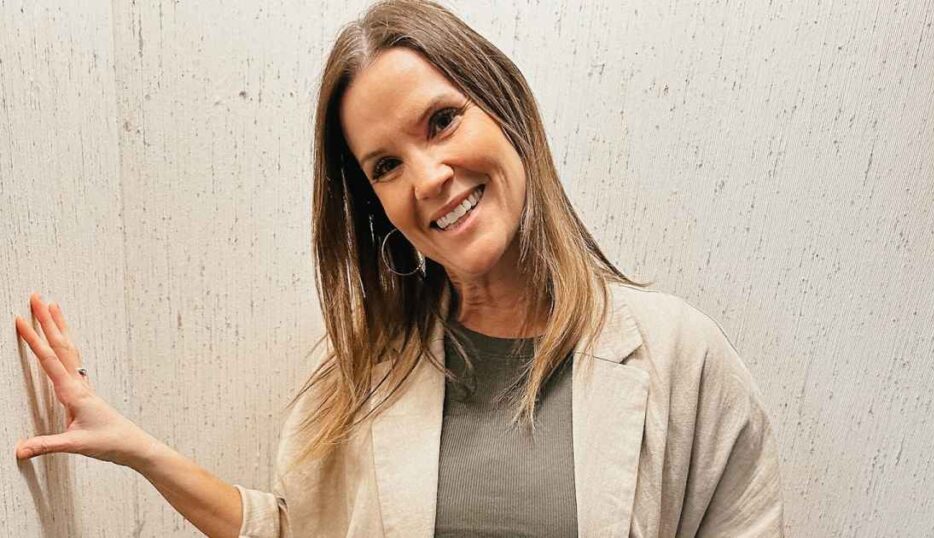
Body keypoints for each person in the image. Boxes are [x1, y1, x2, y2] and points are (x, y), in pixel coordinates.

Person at [13, 0, 785, 536]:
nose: (429, 178)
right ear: (376, 205)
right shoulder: (367, 373)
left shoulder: (678, 357)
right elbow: (290, 530)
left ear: (507, 108)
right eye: (386, 165)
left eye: (442, 121)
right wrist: (139, 449)